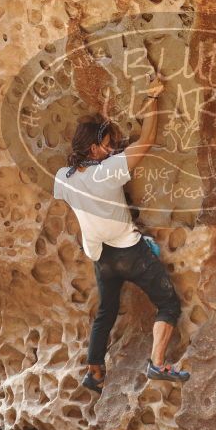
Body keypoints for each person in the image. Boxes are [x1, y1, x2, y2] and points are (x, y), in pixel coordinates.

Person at [52, 72, 190, 394]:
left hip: (100, 257)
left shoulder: (63, 178)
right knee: (168, 304)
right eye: (107, 143)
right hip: (131, 253)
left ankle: (95, 372)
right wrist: (153, 100)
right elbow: (147, 140)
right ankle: (157, 364)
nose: (112, 148)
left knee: (106, 311)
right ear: (94, 146)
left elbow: (74, 180)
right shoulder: (109, 171)